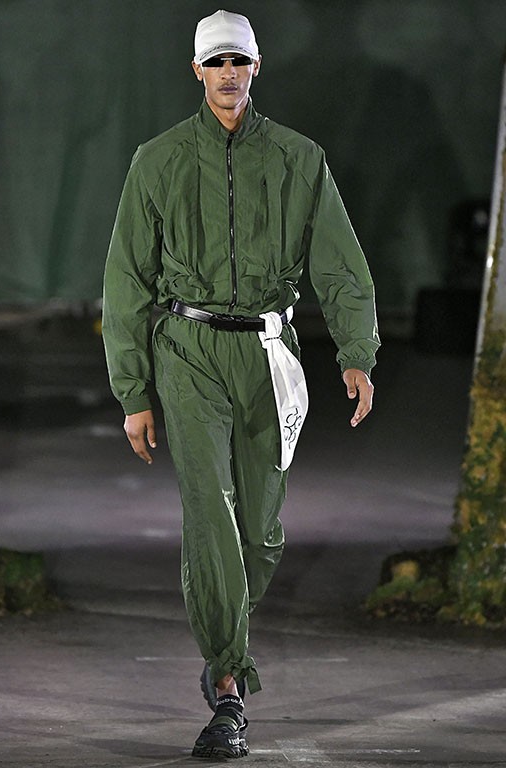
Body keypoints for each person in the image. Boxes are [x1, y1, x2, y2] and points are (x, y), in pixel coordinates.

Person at [102, 9, 380, 759]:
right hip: (187, 351)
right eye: (216, 61)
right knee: (210, 512)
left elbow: (339, 262)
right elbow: (126, 280)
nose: (228, 74)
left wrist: (356, 353)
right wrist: (133, 392)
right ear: (197, 70)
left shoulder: (299, 158)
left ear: (257, 68)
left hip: (267, 350)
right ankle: (229, 686)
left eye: (240, 61)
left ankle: (225, 629)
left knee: (260, 529)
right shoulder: (157, 161)